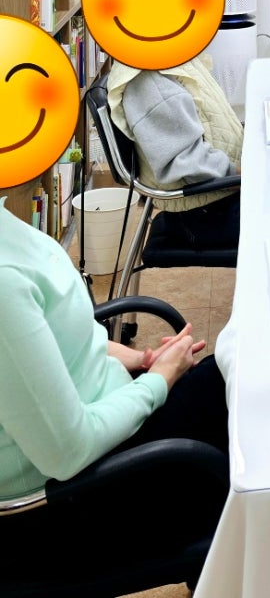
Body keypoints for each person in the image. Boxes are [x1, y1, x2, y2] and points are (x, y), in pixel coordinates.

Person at [0, 199, 228, 587]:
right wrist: (158, 381)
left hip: (99, 442)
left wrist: (140, 359)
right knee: (236, 417)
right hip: (61, 508)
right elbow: (66, 452)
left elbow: (60, 336)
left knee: (225, 382)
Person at [107, 53, 243, 250]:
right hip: (206, 213)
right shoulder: (150, 80)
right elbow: (187, 163)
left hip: (216, 197)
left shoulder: (171, 59)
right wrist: (242, 177)